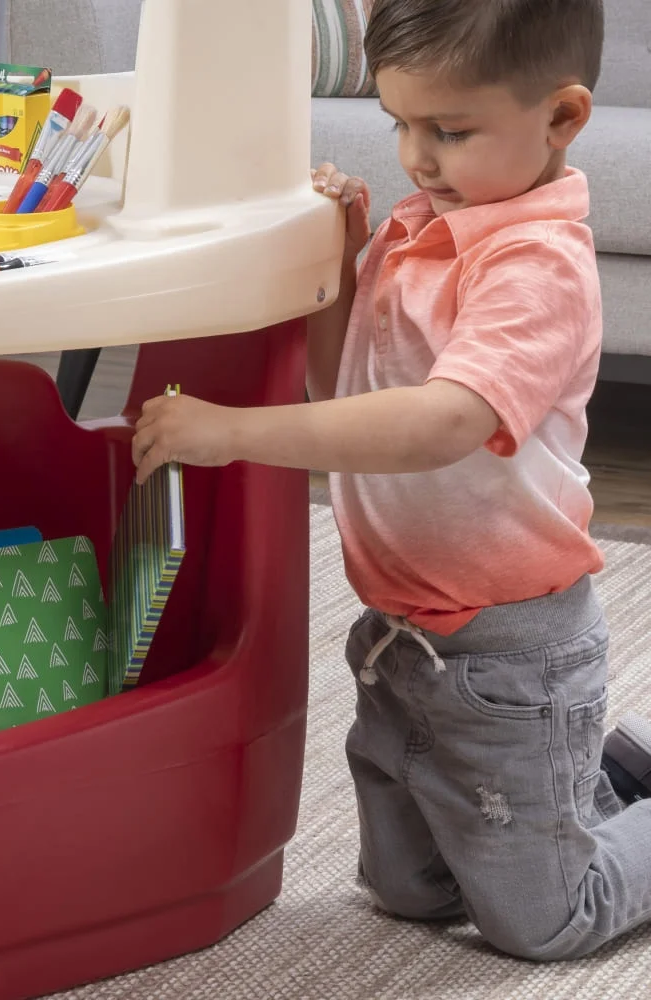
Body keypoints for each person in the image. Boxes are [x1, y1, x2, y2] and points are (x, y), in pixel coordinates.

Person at [130, 0, 651, 961]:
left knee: (545, 919)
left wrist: (235, 432)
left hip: (511, 653)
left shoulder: (535, 266)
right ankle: (602, 775)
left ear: (564, 118)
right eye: (399, 124)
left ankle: (604, 798)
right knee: (407, 894)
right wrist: (342, 261)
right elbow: (348, 391)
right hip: (402, 637)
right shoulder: (425, 224)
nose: (416, 157)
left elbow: (442, 423)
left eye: (449, 132)